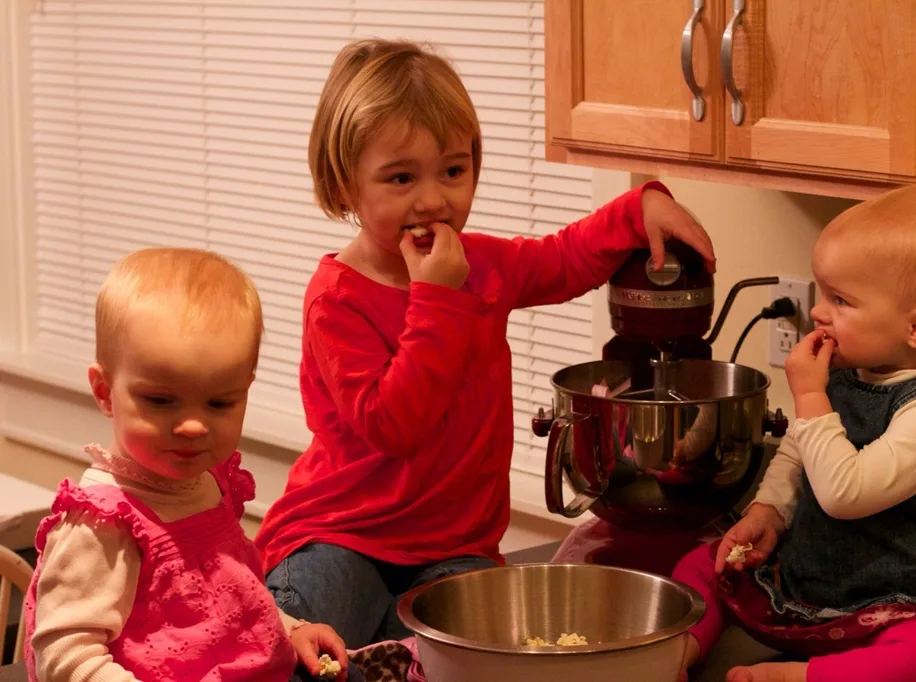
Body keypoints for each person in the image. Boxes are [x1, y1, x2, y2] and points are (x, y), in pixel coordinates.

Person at [253, 38, 717, 649]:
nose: (433, 199)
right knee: (291, 645)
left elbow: (564, 258)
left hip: (456, 547)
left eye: (453, 169)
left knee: (474, 656)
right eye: (400, 177)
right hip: (343, 534)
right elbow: (394, 423)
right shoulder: (337, 299)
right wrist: (438, 298)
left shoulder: (483, 266)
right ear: (344, 188)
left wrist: (639, 206)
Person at [672, 186, 916, 682]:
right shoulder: (850, 372)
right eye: (823, 292)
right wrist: (769, 512)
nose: (819, 312)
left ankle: (801, 678)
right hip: (805, 593)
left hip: (901, 608)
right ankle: (675, 655)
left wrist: (809, 398)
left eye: (841, 300)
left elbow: (844, 494)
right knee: (706, 562)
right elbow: (798, 451)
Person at [21, 248, 351, 682]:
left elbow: (230, 600)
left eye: (220, 402)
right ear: (104, 392)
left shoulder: (210, 482)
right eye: (160, 401)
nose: (193, 426)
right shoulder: (101, 526)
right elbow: (64, 658)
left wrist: (291, 629)